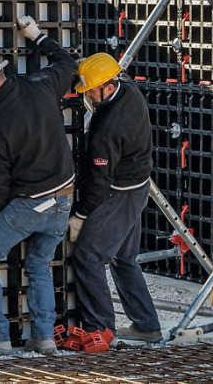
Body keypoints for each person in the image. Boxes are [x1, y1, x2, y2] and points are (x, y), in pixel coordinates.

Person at [0, 16, 78, 356]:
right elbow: (67, 63)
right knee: (38, 263)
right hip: (65, 197)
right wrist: (37, 36)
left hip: (33, 203)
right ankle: (43, 338)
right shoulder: (41, 84)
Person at [69, 53, 162, 344]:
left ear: (106, 87)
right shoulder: (129, 90)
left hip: (119, 195)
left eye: (90, 91)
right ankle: (146, 325)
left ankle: (101, 329)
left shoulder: (107, 128)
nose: (88, 97)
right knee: (124, 258)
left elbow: (98, 184)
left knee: (88, 254)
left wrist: (81, 216)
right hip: (137, 188)